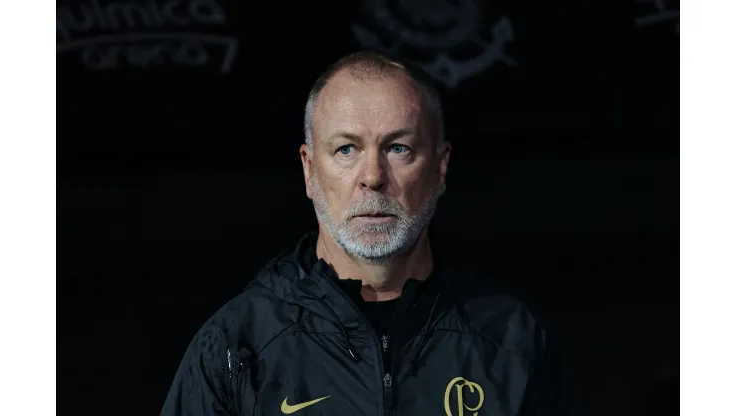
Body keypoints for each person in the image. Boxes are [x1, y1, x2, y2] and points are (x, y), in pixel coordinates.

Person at [160, 50, 571, 416]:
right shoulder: (236, 346)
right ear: (308, 170)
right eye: (346, 149)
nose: (372, 177)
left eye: (398, 148)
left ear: (440, 167)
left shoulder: (511, 343)